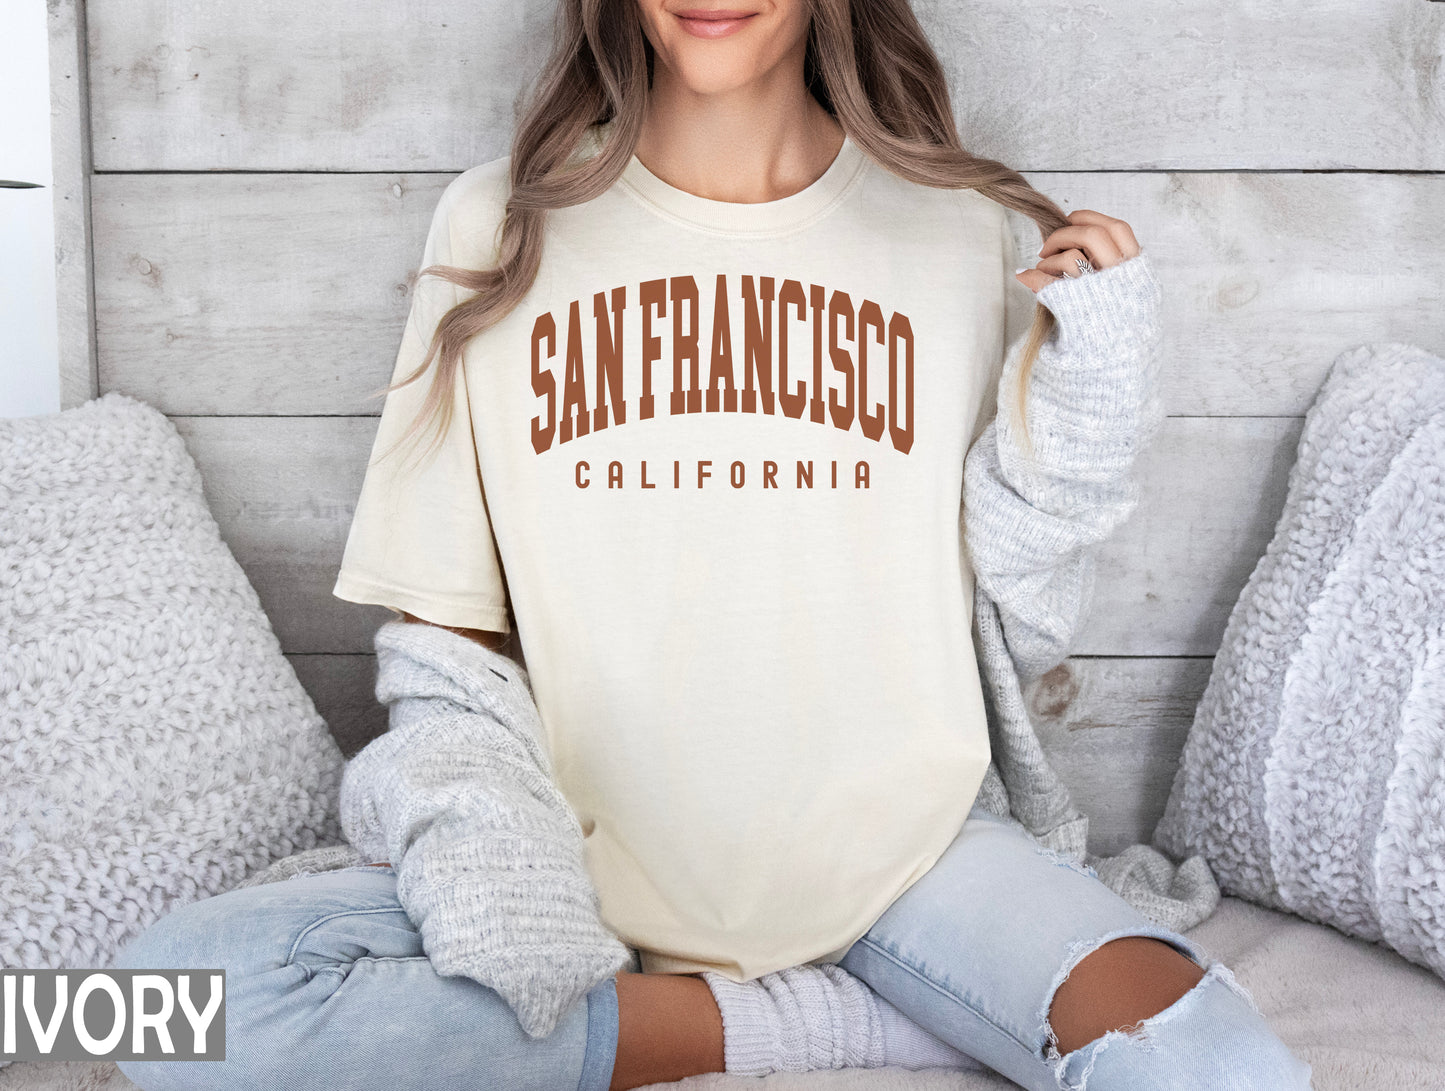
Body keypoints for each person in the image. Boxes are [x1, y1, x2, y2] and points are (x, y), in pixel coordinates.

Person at [113, 1, 1315, 1089]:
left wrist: (1094, 406)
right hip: (578, 866)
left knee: (1221, 1066)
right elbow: (444, 631)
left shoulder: (966, 229)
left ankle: (822, 997)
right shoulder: (499, 223)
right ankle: (825, 1019)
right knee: (133, 1014)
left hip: (910, 863)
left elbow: (1020, 586)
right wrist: (493, 872)